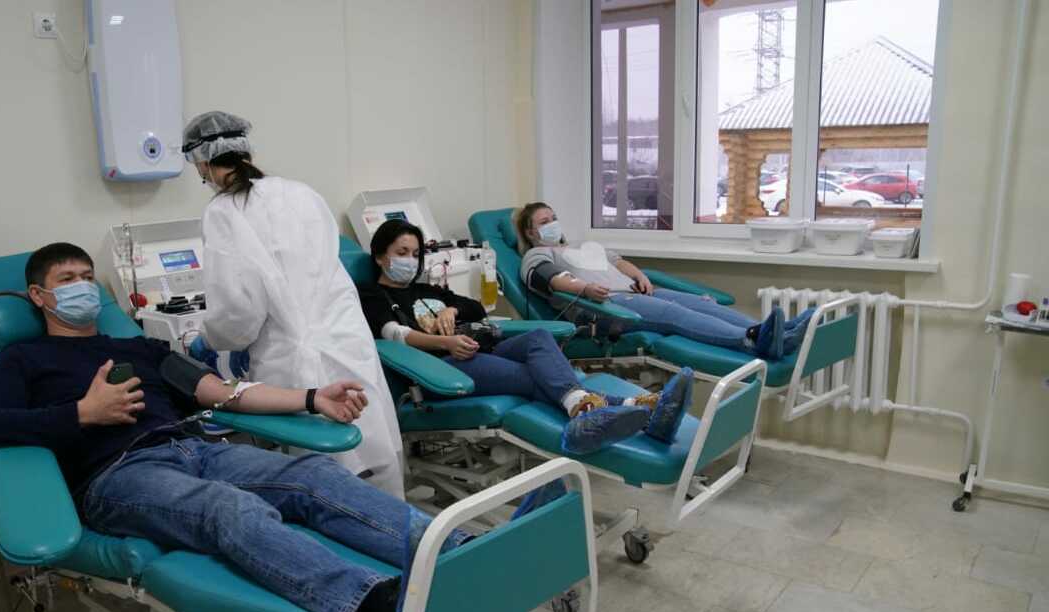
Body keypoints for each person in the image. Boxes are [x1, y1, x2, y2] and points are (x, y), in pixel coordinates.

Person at [0, 243, 453, 612]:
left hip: (194, 449)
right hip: (116, 476)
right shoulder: (24, 359)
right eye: (67, 280)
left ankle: (449, 549)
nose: (82, 287)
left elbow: (223, 392)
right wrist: (82, 414)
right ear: (38, 296)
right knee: (228, 508)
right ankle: (373, 600)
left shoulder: (140, 347)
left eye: (88, 278)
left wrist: (311, 398)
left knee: (312, 475)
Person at [182, 111, 406, 498]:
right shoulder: (301, 192)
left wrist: (211, 339)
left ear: (202, 164)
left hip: (292, 358)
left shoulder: (223, 212)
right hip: (347, 339)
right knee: (374, 451)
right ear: (247, 151)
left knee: (325, 478)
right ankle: (401, 529)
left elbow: (238, 311)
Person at [357, 219, 694, 447]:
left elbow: (474, 307)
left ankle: (594, 409)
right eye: (401, 253)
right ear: (380, 256)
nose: (410, 260)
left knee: (539, 338)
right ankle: (636, 408)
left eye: (415, 254)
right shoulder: (373, 293)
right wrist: (445, 341)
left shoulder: (425, 288)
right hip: (441, 368)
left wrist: (451, 310)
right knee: (538, 376)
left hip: (475, 350)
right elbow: (394, 333)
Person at [514, 202, 813, 360]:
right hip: (604, 307)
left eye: (553, 218)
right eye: (544, 222)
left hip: (634, 293)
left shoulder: (581, 245)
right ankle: (752, 341)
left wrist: (639, 275)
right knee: (674, 314)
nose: (552, 224)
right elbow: (551, 280)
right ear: (530, 232)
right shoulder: (537, 254)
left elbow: (618, 261)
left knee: (701, 304)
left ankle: (778, 332)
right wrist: (585, 288)